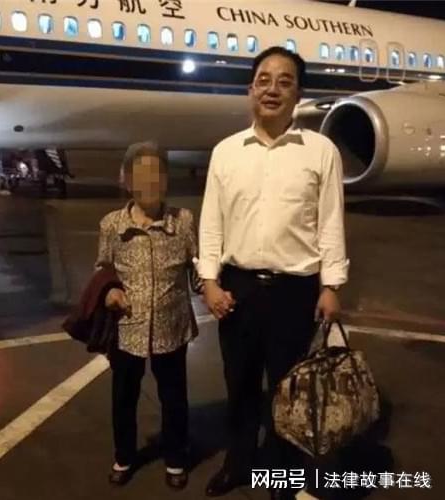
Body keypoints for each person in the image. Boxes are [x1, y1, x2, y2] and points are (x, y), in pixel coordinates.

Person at [198, 47, 349, 500]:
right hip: (238, 289)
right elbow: (212, 223)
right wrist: (209, 282)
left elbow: (330, 222)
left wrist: (331, 285)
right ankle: (239, 463)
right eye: (264, 79)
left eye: (285, 81)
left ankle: (283, 475)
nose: (272, 89)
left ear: (298, 94)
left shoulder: (320, 152)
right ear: (250, 89)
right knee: (240, 384)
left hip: (295, 292)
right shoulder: (226, 152)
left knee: (289, 391)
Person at [96, 141, 200, 491]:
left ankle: (176, 457)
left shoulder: (183, 221)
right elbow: (103, 268)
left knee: (174, 396)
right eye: (141, 175)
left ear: (167, 180)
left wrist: (212, 287)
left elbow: (196, 267)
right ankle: (123, 456)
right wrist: (109, 292)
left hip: (172, 327)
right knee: (123, 397)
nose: (150, 182)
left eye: (157, 174)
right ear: (127, 181)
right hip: (128, 329)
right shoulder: (112, 225)